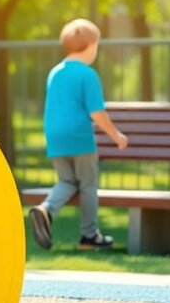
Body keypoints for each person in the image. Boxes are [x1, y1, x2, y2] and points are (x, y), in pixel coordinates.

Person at [28, 19, 128, 251]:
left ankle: (46, 209)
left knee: (67, 181)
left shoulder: (55, 72)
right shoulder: (87, 74)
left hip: (55, 137)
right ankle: (89, 236)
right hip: (79, 138)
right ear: (92, 45)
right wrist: (116, 136)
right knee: (88, 185)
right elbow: (96, 112)